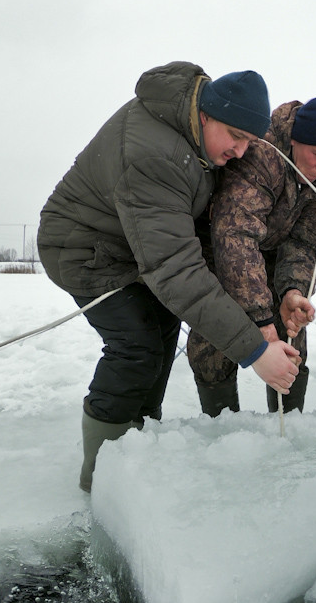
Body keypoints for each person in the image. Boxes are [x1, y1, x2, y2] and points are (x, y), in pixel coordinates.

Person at [37, 61, 300, 493]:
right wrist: (255, 351)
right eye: (235, 137)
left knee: (160, 335)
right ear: (205, 114)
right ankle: (100, 481)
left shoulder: (194, 136)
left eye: (249, 142)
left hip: (131, 248)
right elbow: (176, 272)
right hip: (86, 249)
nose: (239, 151)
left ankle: (136, 449)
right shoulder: (155, 153)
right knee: (135, 347)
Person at [186, 97, 316, 416]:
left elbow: (304, 241)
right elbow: (235, 234)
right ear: (294, 139)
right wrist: (261, 323)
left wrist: (293, 291)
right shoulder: (260, 154)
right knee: (216, 336)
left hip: (274, 253)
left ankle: (288, 429)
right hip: (219, 250)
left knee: (291, 332)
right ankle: (221, 431)